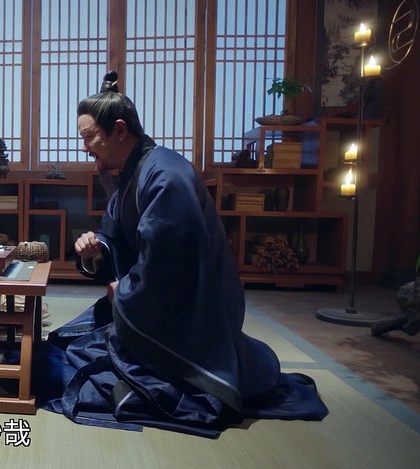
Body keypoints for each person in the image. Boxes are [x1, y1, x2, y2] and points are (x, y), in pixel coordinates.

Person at [33, 71, 328, 438]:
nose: (84, 148)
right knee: (63, 346)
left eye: (88, 136)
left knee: (76, 368)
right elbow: (116, 236)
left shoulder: (166, 176)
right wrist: (95, 247)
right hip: (156, 301)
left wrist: (124, 292)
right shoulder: (131, 174)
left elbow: (169, 266)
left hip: (190, 314)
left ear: (119, 130)